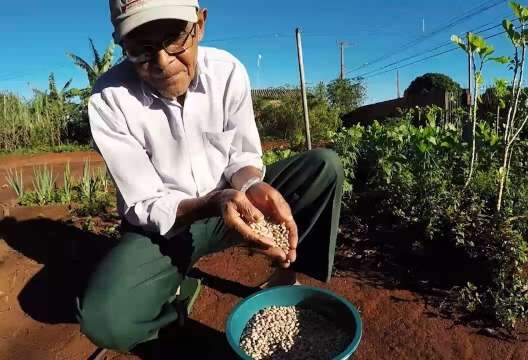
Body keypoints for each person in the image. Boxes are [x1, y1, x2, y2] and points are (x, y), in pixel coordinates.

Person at [75, 0, 344, 353]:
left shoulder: (228, 72)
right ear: (120, 43)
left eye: (174, 37)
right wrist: (214, 203)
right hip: (166, 228)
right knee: (105, 321)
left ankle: (286, 273)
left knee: (323, 166)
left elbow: (243, 157)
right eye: (141, 48)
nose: (162, 61)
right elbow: (145, 202)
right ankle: (174, 301)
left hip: (233, 204)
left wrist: (252, 185)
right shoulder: (109, 100)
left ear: (199, 24)